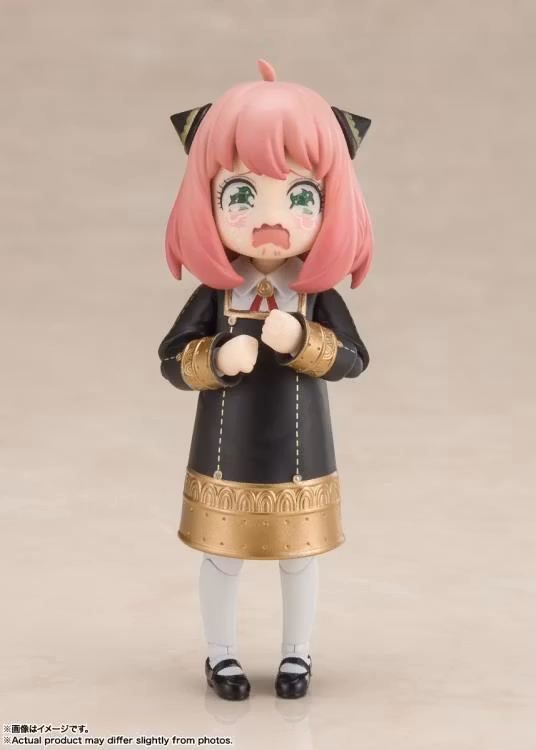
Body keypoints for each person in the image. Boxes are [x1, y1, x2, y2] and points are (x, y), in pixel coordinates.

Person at [158, 59, 373, 700]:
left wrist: (306, 343)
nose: (270, 219)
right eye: (241, 196)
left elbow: (355, 358)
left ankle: (296, 656)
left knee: (298, 558)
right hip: (223, 455)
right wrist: (215, 360)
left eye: (301, 197)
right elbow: (172, 358)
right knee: (221, 556)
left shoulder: (315, 296)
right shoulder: (215, 295)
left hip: (302, 458)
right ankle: (221, 655)